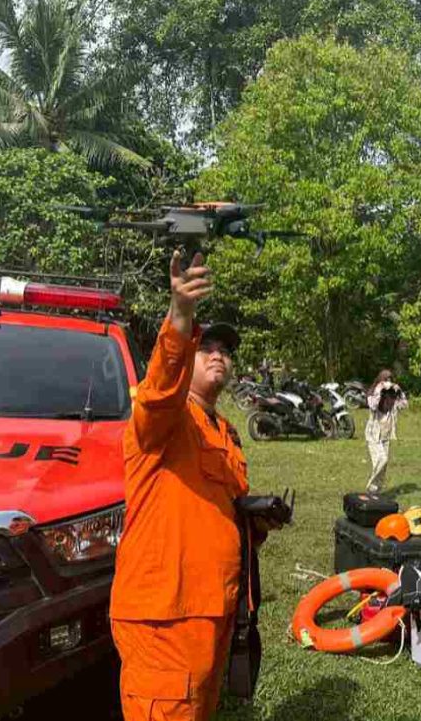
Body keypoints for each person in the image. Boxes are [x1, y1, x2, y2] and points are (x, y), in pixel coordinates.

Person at [111, 251, 258, 721]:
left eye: (226, 349)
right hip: (164, 617)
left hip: (214, 610)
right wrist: (180, 317)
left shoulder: (225, 432)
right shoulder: (163, 419)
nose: (219, 354)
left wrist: (258, 518)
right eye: (206, 346)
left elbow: (222, 508)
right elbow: (159, 388)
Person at [365, 370, 408, 493]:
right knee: (382, 460)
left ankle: (376, 492)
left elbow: (404, 405)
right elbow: (373, 406)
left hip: (386, 435)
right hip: (374, 435)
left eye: (390, 380)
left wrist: (400, 392)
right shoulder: (373, 394)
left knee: (382, 467)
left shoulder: (391, 397)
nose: (388, 383)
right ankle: (371, 487)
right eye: (385, 380)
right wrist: (379, 389)